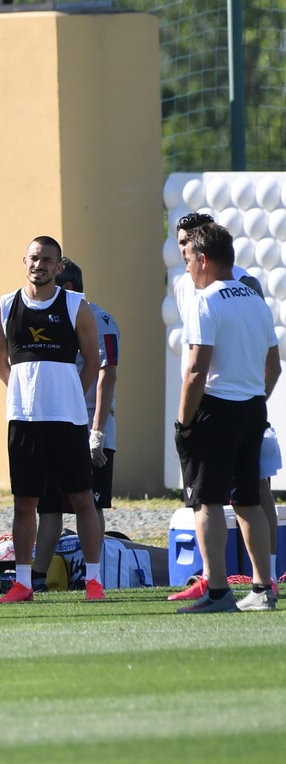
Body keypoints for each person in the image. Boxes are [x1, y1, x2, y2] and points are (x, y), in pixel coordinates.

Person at [168, 212, 282, 602]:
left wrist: (184, 422)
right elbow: (274, 366)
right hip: (253, 408)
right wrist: (253, 397)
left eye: (188, 259)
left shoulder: (205, 300)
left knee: (207, 501)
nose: (186, 267)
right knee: (249, 501)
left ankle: (217, 591)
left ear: (203, 259)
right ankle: (263, 588)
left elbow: (196, 370)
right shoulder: (255, 299)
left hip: (215, 409)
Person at [0, 236, 105, 603]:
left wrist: (68, 395)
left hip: (68, 420)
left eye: (47, 260)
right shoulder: (4, 307)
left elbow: (92, 362)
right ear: (24, 261)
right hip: (23, 420)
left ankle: (94, 582)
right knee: (25, 503)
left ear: (58, 266)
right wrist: (27, 396)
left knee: (83, 499)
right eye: (34, 258)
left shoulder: (75, 306)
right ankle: (23, 583)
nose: (39, 265)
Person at [31, 257, 120, 592]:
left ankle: (93, 575)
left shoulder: (100, 319)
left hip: (89, 423)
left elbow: (107, 375)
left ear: (66, 287)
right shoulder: (52, 320)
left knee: (90, 503)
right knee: (49, 504)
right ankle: (38, 577)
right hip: (55, 423)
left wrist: (96, 432)